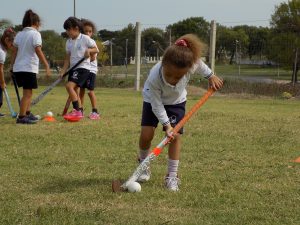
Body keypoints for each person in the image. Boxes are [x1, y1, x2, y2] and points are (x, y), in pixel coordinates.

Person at [137, 34, 223, 191]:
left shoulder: (192, 64)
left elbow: (200, 64)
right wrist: (167, 125)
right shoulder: (154, 76)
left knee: (174, 137)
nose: (172, 80)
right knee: (146, 135)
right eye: (169, 74)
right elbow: (156, 105)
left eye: (178, 77)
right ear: (163, 65)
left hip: (176, 103)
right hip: (153, 102)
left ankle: (172, 176)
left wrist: (211, 76)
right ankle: (143, 163)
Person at [11, 9, 51, 124]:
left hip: (18, 68)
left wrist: (11, 66)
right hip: (28, 68)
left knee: (28, 92)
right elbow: (38, 50)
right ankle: (22, 117)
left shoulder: (19, 34)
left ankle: (27, 113)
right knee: (27, 93)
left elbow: (14, 51)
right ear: (37, 23)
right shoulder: (35, 34)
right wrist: (47, 65)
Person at [60, 17, 99, 120]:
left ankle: (77, 111)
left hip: (83, 68)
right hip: (73, 69)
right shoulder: (68, 42)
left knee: (69, 87)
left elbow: (96, 49)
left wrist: (89, 51)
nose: (67, 32)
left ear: (76, 28)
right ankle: (78, 110)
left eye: (69, 30)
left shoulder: (85, 38)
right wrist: (63, 70)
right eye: (66, 30)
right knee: (75, 90)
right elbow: (67, 59)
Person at [80, 19, 100, 120]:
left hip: (91, 70)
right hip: (84, 70)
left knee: (90, 91)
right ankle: (80, 109)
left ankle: (95, 111)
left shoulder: (92, 43)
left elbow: (93, 58)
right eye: (85, 31)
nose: (88, 33)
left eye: (90, 31)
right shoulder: (81, 42)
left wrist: (87, 54)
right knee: (81, 90)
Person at [0, 28, 16, 117]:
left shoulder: (3, 49)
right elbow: (0, 69)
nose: (13, 45)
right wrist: (2, 82)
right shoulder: (1, 51)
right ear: (6, 40)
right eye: (12, 43)